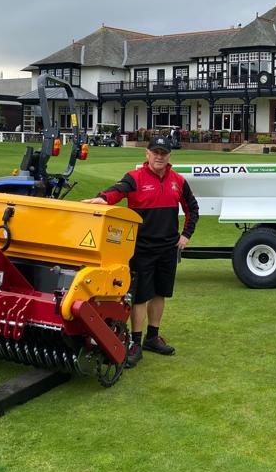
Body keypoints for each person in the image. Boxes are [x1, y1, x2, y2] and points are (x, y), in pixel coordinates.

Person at [83, 135, 199, 366]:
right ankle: (135, 342)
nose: (159, 156)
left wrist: (186, 235)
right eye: (155, 152)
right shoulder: (135, 178)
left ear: (169, 156)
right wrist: (103, 199)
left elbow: (192, 209)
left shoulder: (178, 180)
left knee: (160, 293)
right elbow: (117, 191)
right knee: (140, 296)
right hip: (141, 248)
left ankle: (152, 337)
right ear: (147, 154)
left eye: (163, 153)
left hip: (168, 248)